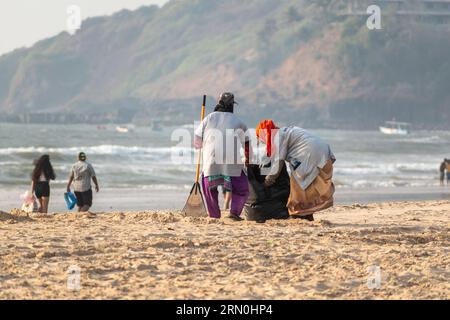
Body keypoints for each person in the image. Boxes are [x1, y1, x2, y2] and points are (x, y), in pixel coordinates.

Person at [255, 120, 336, 221]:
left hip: (308, 154)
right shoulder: (285, 132)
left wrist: (268, 180)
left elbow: (278, 161)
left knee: (298, 188)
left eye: (260, 136)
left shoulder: (277, 137)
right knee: (307, 187)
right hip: (322, 150)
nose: (261, 140)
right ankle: (307, 214)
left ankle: (298, 214)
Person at [194, 92, 250, 220]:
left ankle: (214, 215)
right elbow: (247, 142)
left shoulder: (208, 118)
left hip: (211, 161)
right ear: (232, 106)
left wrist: (202, 144)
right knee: (242, 188)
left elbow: (197, 140)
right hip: (231, 163)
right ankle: (234, 214)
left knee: (209, 188)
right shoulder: (239, 122)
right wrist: (247, 159)